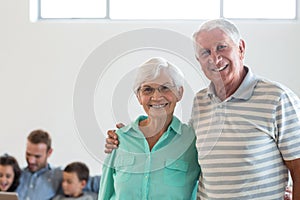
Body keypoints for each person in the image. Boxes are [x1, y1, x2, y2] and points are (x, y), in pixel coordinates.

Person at [105, 18, 300, 199]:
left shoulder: (277, 98)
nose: (215, 59)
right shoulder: (201, 102)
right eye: (205, 52)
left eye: (221, 47)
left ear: (240, 48)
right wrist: (123, 136)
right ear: (199, 61)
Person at [99, 57, 200, 200]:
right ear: (139, 97)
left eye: (165, 88)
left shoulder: (193, 140)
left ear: (179, 93)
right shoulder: (119, 139)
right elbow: (105, 192)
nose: (157, 96)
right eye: (147, 90)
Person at [16, 129, 100, 200]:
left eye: (37, 156)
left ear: (49, 153)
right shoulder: (16, 174)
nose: (31, 161)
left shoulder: (58, 176)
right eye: (28, 154)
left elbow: (95, 183)